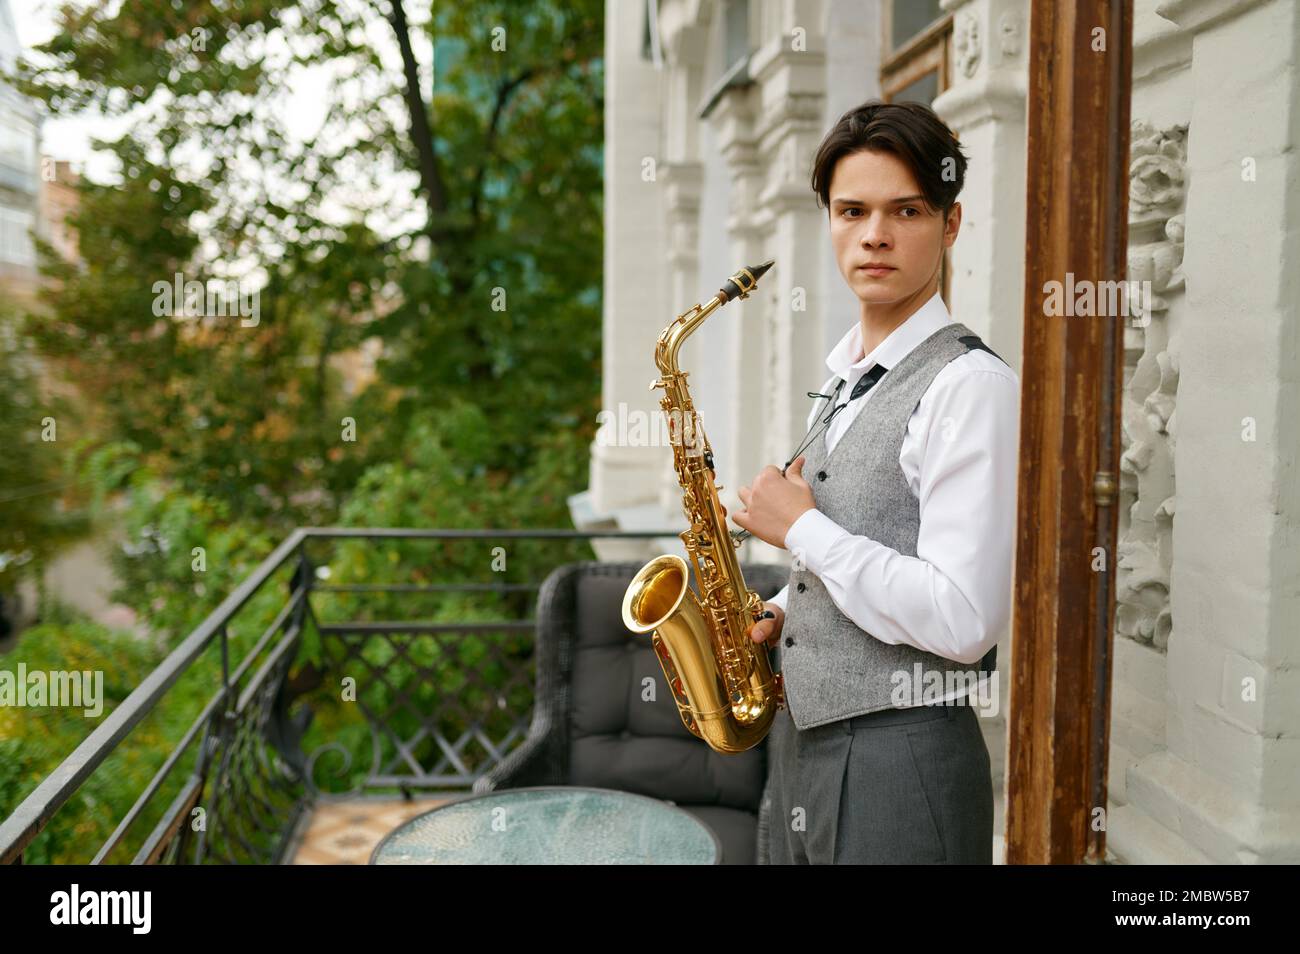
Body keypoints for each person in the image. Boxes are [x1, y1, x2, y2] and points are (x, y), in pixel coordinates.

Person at [730, 99, 1019, 864]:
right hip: (805, 749)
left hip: (902, 760)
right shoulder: (846, 377)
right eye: (852, 210)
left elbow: (963, 620)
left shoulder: (970, 387)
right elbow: (878, 541)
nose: (875, 235)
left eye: (907, 210)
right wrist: (784, 610)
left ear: (950, 225)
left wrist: (801, 528)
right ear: (828, 220)